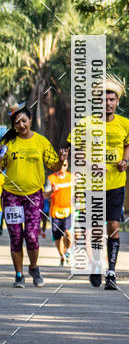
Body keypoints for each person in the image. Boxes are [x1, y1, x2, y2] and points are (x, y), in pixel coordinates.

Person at [68, 74, 129, 290]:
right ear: (98, 102)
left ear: (117, 102)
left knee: (114, 226)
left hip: (116, 183)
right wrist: (91, 165)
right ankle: (96, 265)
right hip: (92, 185)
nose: (108, 103)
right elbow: (75, 152)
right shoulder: (86, 124)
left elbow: (128, 145)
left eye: (112, 99)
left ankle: (111, 272)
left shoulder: (125, 124)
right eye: (104, 100)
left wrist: (125, 160)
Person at [0, 104, 68, 287]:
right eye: (17, 123)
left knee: (31, 235)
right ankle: (19, 275)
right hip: (11, 196)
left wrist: (61, 161)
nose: (21, 125)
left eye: (24, 121)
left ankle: (34, 267)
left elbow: (53, 167)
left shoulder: (41, 141)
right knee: (15, 236)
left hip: (33, 196)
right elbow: (1, 167)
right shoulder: (8, 143)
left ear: (30, 120)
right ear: (13, 126)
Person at [45, 158, 72, 266]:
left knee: (68, 232)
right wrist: (52, 190)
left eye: (65, 165)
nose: (62, 167)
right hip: (55, 211)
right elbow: (45, 195)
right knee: (57, 236)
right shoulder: (51, 178)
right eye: (61, 165)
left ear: (67, 165)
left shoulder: (71, 177)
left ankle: (68, 251)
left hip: (68, 210)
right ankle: (61, 255)